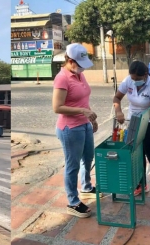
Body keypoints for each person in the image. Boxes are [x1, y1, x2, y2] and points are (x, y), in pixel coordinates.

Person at [52, 43, 101, 218]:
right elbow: (57, 107)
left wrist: (90, 118)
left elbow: (83, 100)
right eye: (79, 64)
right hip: (70, 128)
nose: (82, 68)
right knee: (72, 165)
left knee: (88, 158)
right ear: (70, 60)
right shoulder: (62, 78)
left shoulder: (79, 75)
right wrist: (82, 112)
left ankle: (86, 186)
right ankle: (73, 201)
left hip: (84, 124)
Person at [113, 60, 150, 196]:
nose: (134, 81)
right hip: (133, 122)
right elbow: (117, 98)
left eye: (137, 79)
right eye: (132, 78)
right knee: (136, 155)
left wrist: (142, 121)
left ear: (145, 75)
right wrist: (118, 111)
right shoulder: (128, 81)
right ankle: (141, 184)